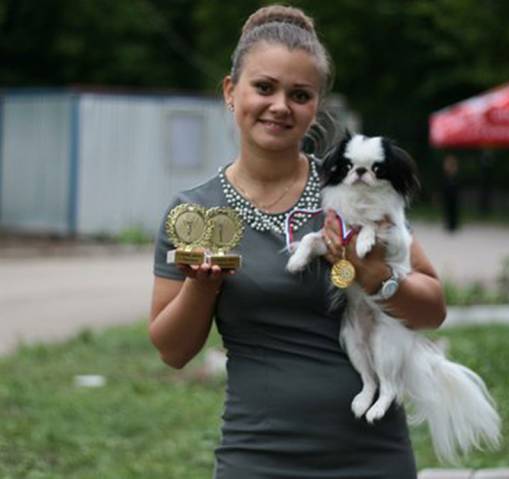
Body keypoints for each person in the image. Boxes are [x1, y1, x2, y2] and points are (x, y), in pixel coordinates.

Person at [149, 5, 446, 478]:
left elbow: (432, 311)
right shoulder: (195, 211)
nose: (280, 106)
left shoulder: (353, 189)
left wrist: (373, 274)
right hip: (258, 457)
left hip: (373, 455)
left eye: (300, 94)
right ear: (230, 92)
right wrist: (202, 286)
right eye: (264, 87)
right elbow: (173, 351)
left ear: (316, 108)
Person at [442, 154, 460, 232]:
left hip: (453, 193)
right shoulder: (447, 174)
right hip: (448, 192)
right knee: (448, 209)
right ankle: (450, 224)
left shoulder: (453, 173)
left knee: (453, 209)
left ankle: (453, 224)